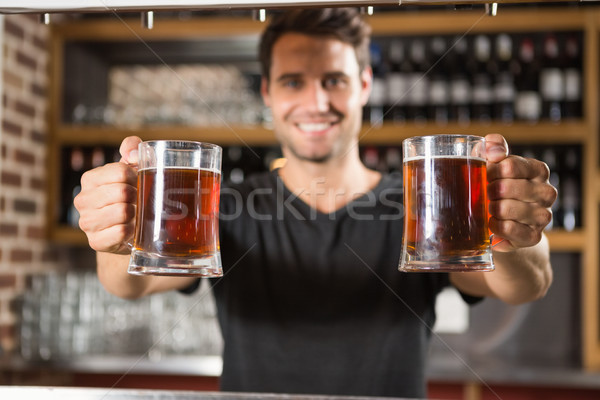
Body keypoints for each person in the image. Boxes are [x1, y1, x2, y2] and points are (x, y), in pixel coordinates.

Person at [74, 8, 556, 399]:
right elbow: (129, 287)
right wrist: (114, 238)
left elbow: (526, 285)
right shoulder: (227, 203)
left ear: (364, 85)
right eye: (292, 82)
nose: (315, 101)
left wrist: (514, 232)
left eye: (334, 79)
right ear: (267, 93)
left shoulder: (420, 202)